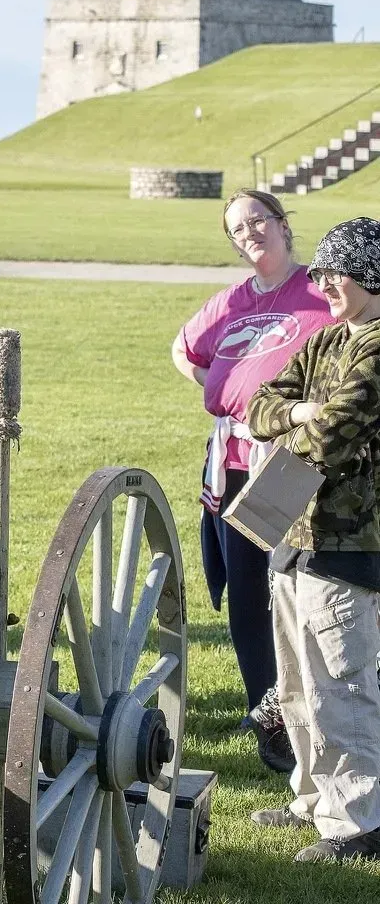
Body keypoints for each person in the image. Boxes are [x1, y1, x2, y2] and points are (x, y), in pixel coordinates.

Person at [171, 189, 328, 772]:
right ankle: (266, 703)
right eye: (237, 229)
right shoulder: (231, 302)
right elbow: (182, 349)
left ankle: (312, 701)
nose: (250, 233)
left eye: (258, 220)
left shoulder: (320, 289)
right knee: (247, 589)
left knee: (298, 584)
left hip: (295, 460)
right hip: (237, 460)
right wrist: (220, 386)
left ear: (284, 226)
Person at [246, 216, 380, 863]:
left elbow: (337, 437)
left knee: (342, 689)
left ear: (370, 275)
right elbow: (258, 404)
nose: (324, 283)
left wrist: (300, 423)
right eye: (321, 271)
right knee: (298, 688)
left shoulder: (377, 346)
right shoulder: (326, 342)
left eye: (337, 272)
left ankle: (359, 823)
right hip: (294, 539)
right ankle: (312, 800)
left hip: (351, 548)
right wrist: (302, 411)